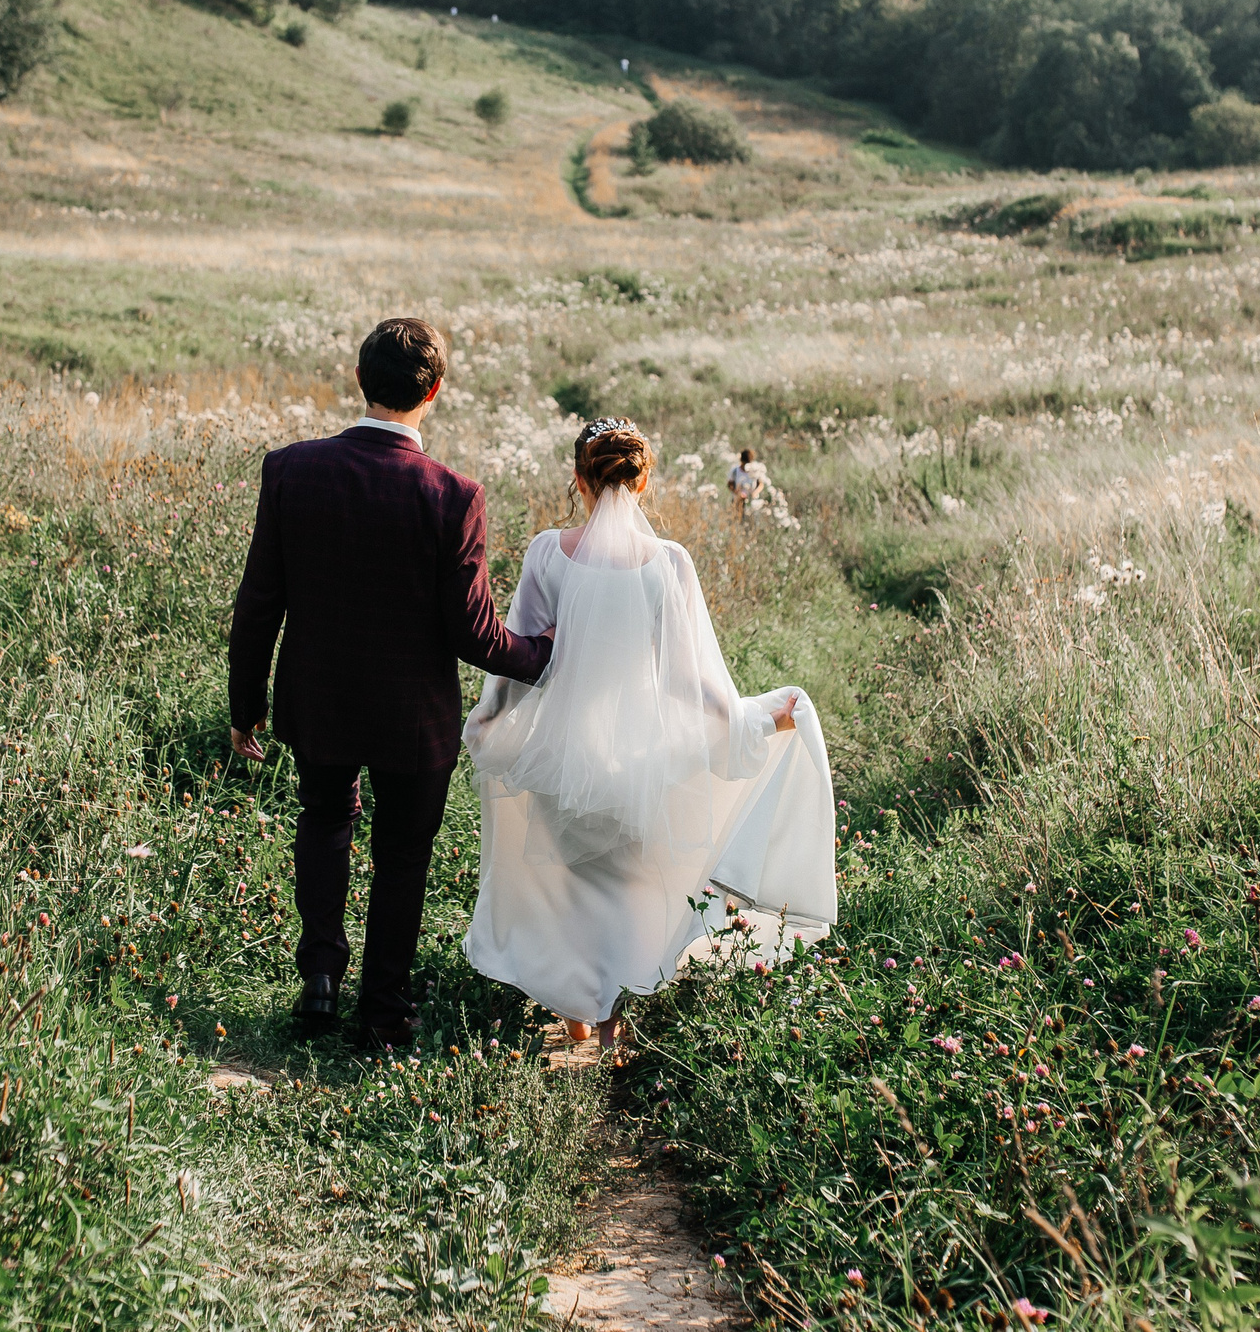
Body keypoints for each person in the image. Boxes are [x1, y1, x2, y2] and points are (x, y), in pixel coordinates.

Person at [228, 318, 554, 1050]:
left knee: (324, 819)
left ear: (358, 379)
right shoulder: (454, 494)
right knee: (403, 854)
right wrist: (548, 652)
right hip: (415, 720)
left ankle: (319, 981)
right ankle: (384, 1010)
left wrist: (244, 705)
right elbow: (475, 634)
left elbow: (260, 601)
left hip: (317, 701)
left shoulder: (290, 469)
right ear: (433, 392)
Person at [461, 418, 837, 1050]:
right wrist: (750, 721)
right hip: (645, 757)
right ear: (644, 481)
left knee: (571, 887)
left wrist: (490, 716)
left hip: (561, 754)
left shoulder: (547, 553)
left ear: (579, 480)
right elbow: (695, 682)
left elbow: (522, 654)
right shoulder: (669, 563)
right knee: (630, 892)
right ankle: (611, 1025)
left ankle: (575, 1014)